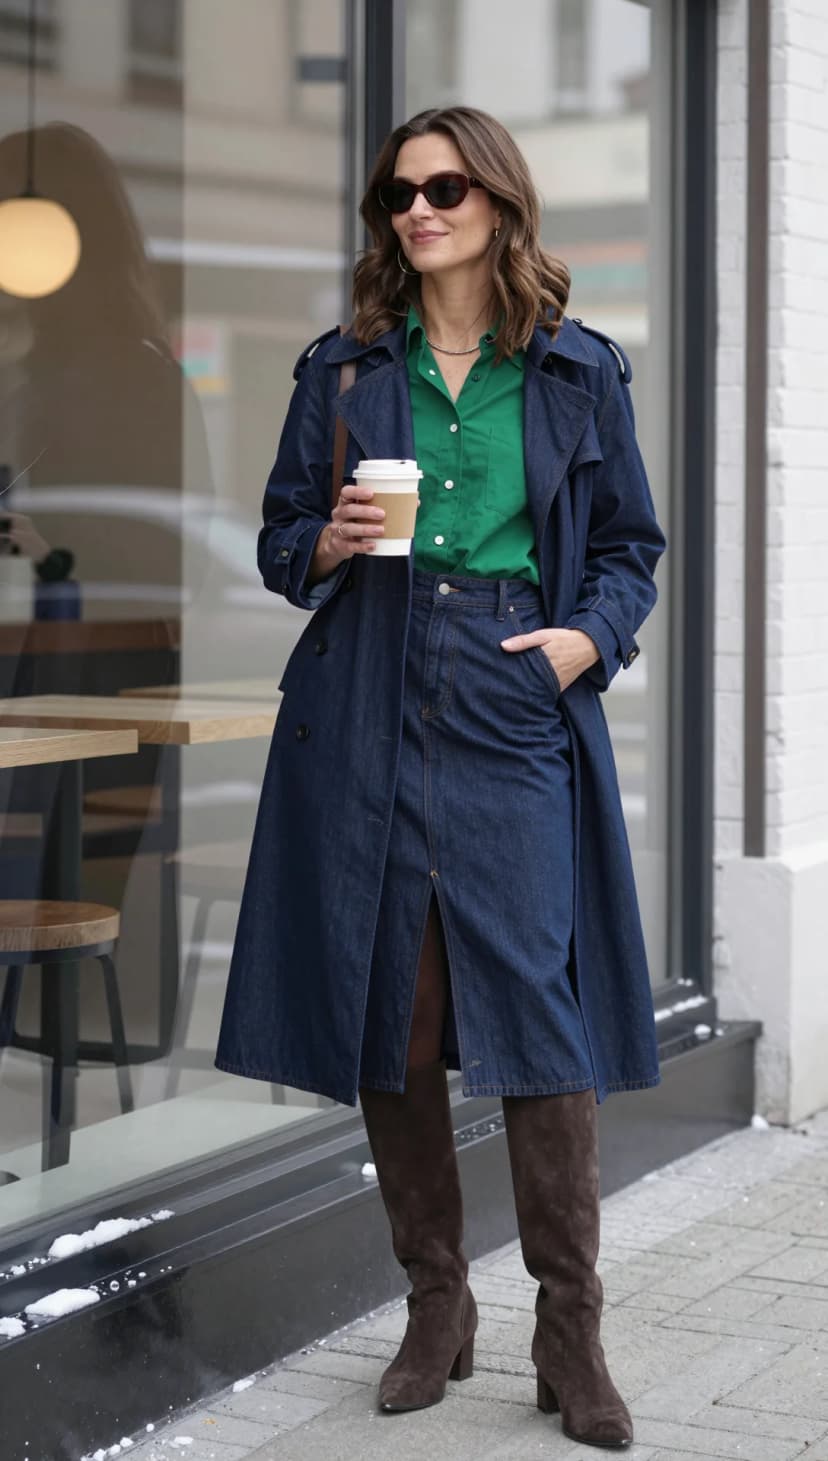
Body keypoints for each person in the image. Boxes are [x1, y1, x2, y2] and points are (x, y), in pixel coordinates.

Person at [216, 105, 666, 1450]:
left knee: (538, 1003)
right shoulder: (345, 371)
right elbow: (279, 538)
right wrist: (335, 542)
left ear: (499, 204)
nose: (418, 210)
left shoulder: (578, 372)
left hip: (509, 677)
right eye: (400, 193)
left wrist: (586, 640)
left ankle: (569, 1332)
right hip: (368, 678)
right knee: (393, 1004)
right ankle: (436, 1306)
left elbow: (630, 547)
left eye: (446, 187)